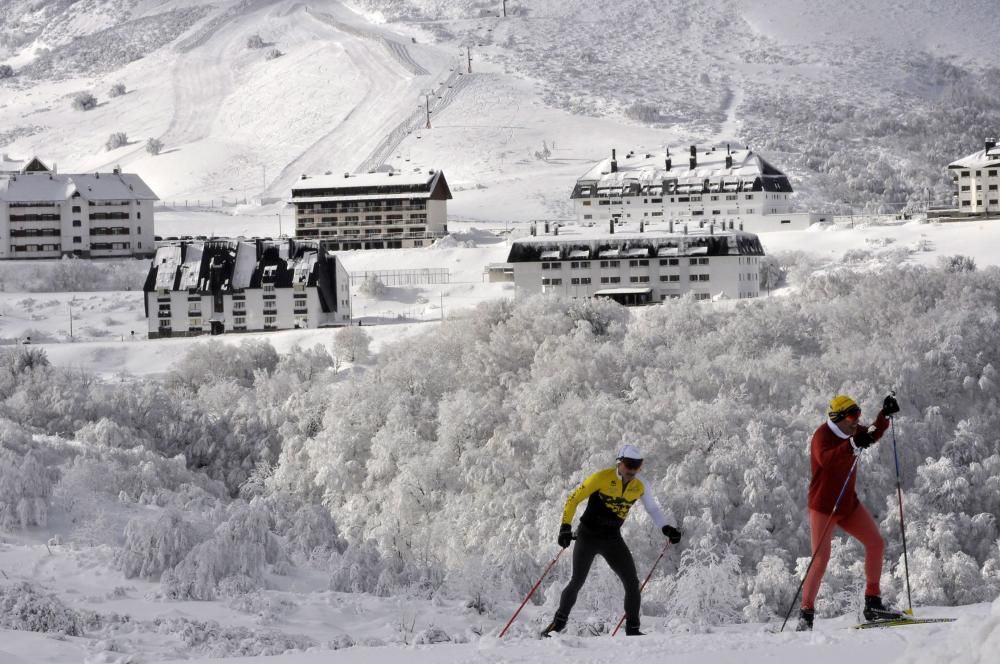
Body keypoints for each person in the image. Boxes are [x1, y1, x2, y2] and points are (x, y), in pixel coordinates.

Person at [542, 445, 682, 637]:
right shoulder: (602, 477)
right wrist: (565, 527)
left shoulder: (640, 485)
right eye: (628, 465)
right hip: (588, 535)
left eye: (637, 466)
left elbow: (653, 509)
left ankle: (633, 631)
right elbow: (573, 499)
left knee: (632, 583)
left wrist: (666, 528)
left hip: (612, 539)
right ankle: (555, 627)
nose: (632, 470)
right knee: (577, 581)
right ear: (619, 463)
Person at [796, 393, 902, 631]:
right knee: (821, 559)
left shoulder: (852, 430)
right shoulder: (822, 436)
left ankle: (873, 604)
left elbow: (871, 432)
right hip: (823, 507)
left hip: (847, 504)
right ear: (839, 417)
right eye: (853, 415)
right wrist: (852, 444)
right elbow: (827, 460)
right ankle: (806, 615)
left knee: (876, 543)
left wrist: (884, 416)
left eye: (858, 414)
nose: (857, 420)